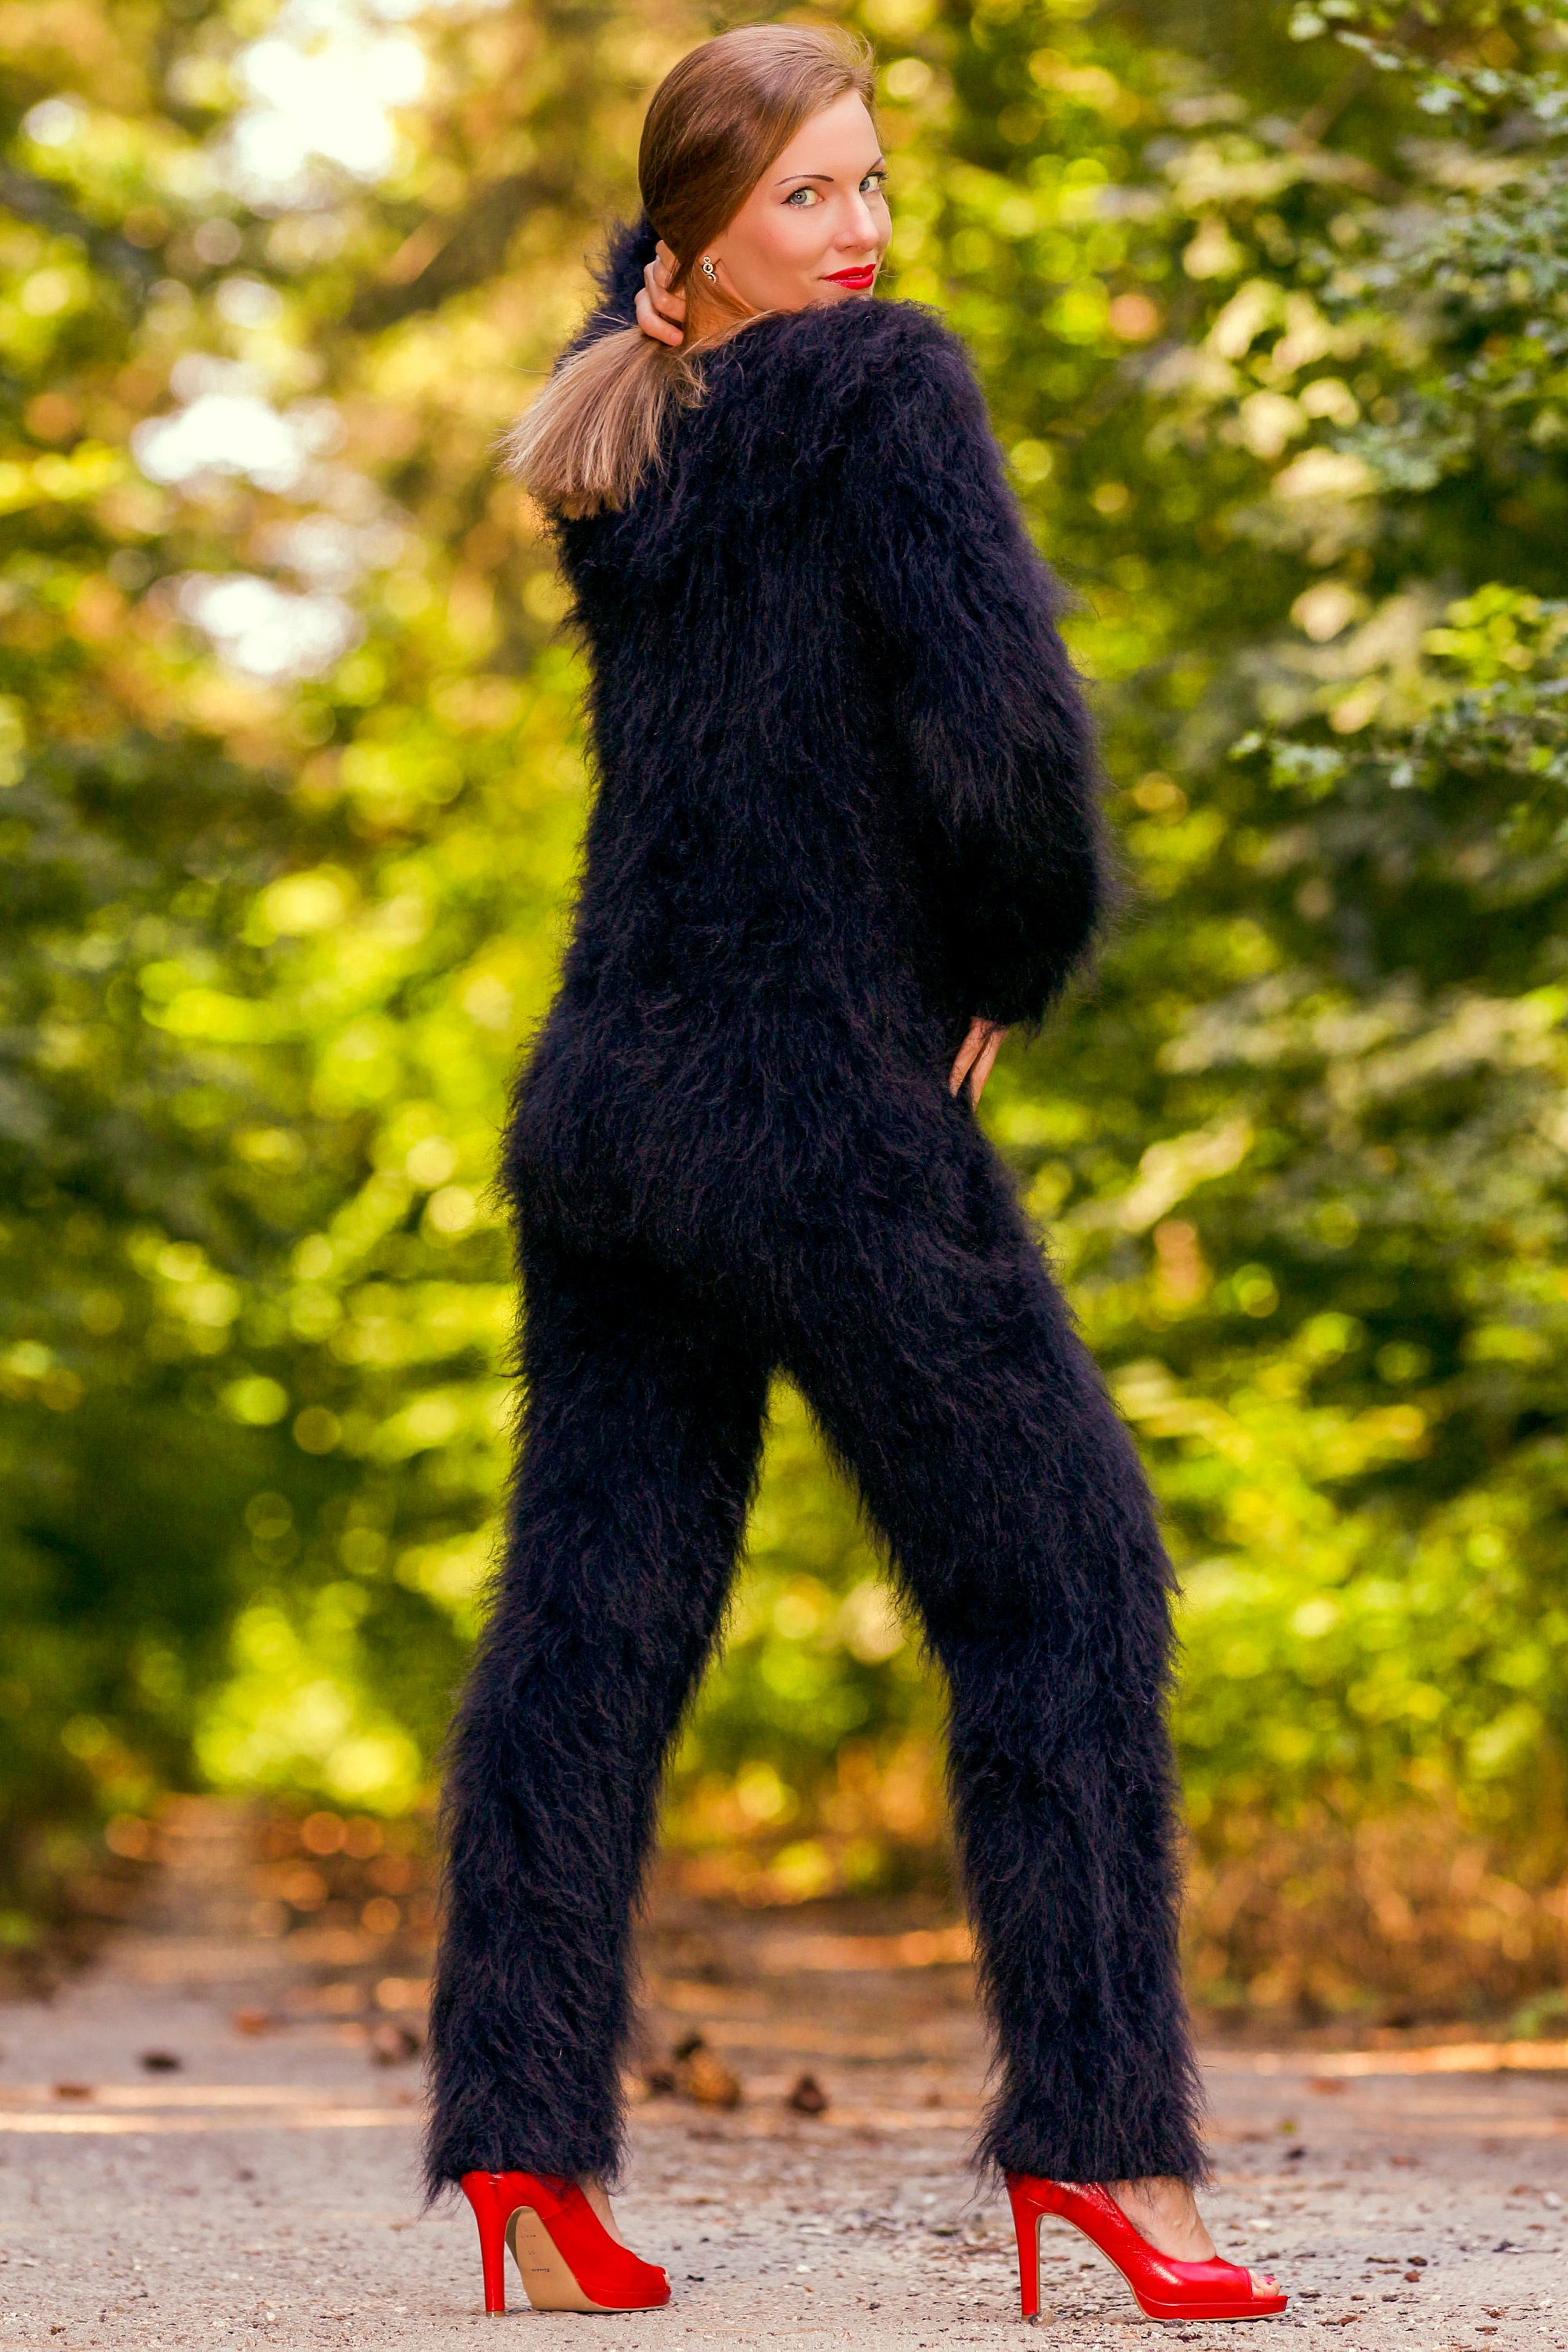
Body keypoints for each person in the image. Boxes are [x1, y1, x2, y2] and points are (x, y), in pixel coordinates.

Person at [423, 21, 1286, 2332]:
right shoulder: (884, 389)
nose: (870, 233)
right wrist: (1016, 956)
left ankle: (519, 2149)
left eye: (874, 186)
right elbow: (1002, 734)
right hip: (820, 1105)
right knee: (1070, 1590)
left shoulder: (636, 418)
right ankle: (1108, 2164)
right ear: (714, 235)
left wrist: (687, 259)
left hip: (607, 1103)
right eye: (814, 194)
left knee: (588, 1631)